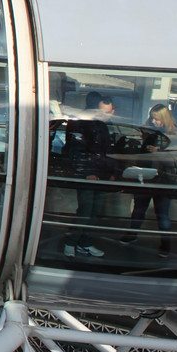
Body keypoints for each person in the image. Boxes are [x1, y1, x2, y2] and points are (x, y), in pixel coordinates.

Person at [63, 92, 119, 257]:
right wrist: (86, 173)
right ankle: (71, 242)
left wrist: (111, 172)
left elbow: (108, 152)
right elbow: (77, 151)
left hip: (101, 175)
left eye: (108, 112)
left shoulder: (102, 126)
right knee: (85, 211)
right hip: (89, 176)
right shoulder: (84, 124)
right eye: (103, 112)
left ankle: (84, 242)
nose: (106, 116)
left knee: (94, 212)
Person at [122, 104, 177, 257]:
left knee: (163, 214)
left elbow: (176, 159)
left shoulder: (173, 135)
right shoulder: (148, 131)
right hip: (146, 176)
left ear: (164, 119)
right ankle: (132, 234)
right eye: (152, 119)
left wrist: (159, 153)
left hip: (163, 179)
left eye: (157, 119)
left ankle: (165, 244)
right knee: (139, 209)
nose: (154, 122)